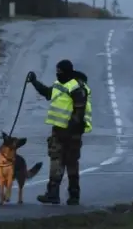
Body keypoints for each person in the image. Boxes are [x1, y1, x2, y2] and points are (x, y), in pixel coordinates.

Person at [26, 59, 92, 205]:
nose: (58, 74)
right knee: (56, 160)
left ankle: (73, 195)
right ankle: (53, 194)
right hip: (58, 131)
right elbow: (48, 93)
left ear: (67, 72)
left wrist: (68, 130)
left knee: (71, 163)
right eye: (56, 72)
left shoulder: (77, 88)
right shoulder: (59, 84)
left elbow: (79, 112)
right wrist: (35, 82)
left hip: (72, 132)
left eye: (60, 72)